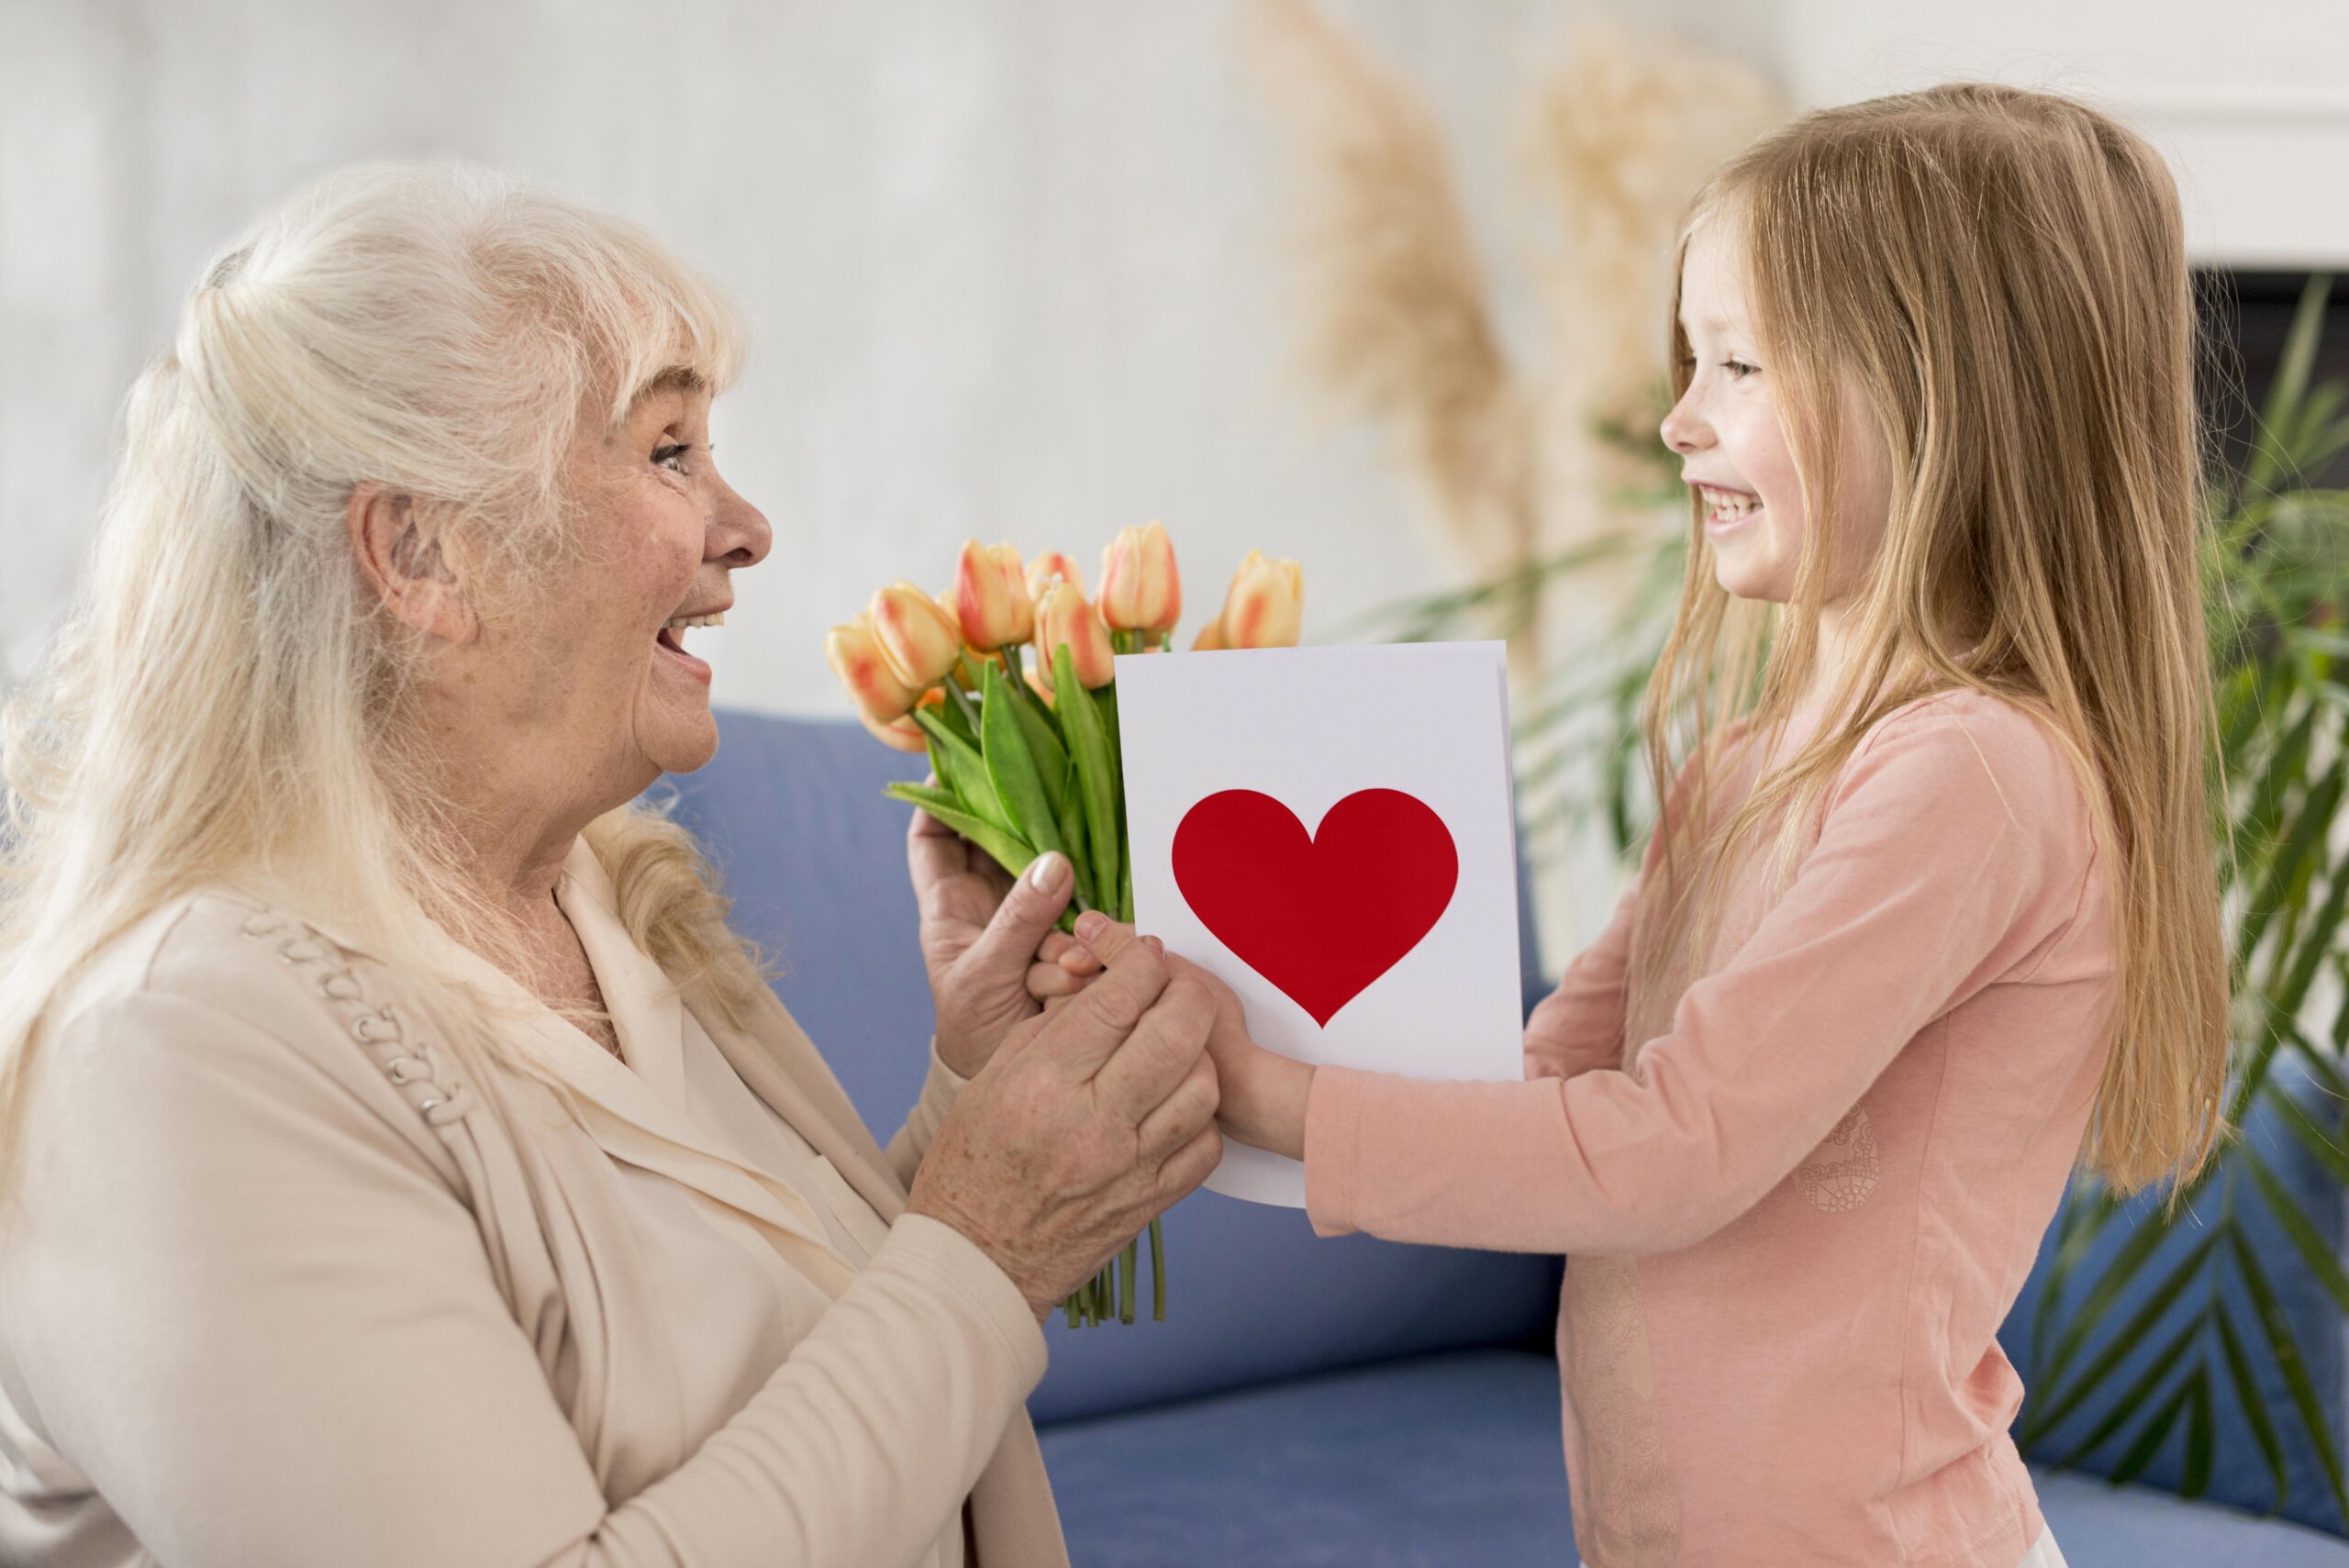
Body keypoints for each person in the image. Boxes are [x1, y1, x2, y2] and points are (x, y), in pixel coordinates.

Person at [1041, 83, 2229, 1568]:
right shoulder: (1743, 768)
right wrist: (1203, 1027)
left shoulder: (1975, 779)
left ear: (1934, 403)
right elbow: (1541, 1086)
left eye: (1738, 363)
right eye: (1693, 359)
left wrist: (1274, 1095)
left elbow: (1673, 1151)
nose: (1679, 420)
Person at [0, 161, 1224, 1568]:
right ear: (423, 553)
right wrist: (983, 1249)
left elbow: (775, 1384)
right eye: (667, 451)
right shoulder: (174, 1059)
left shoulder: (606, 898)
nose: (745, 527)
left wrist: (971, 1122)